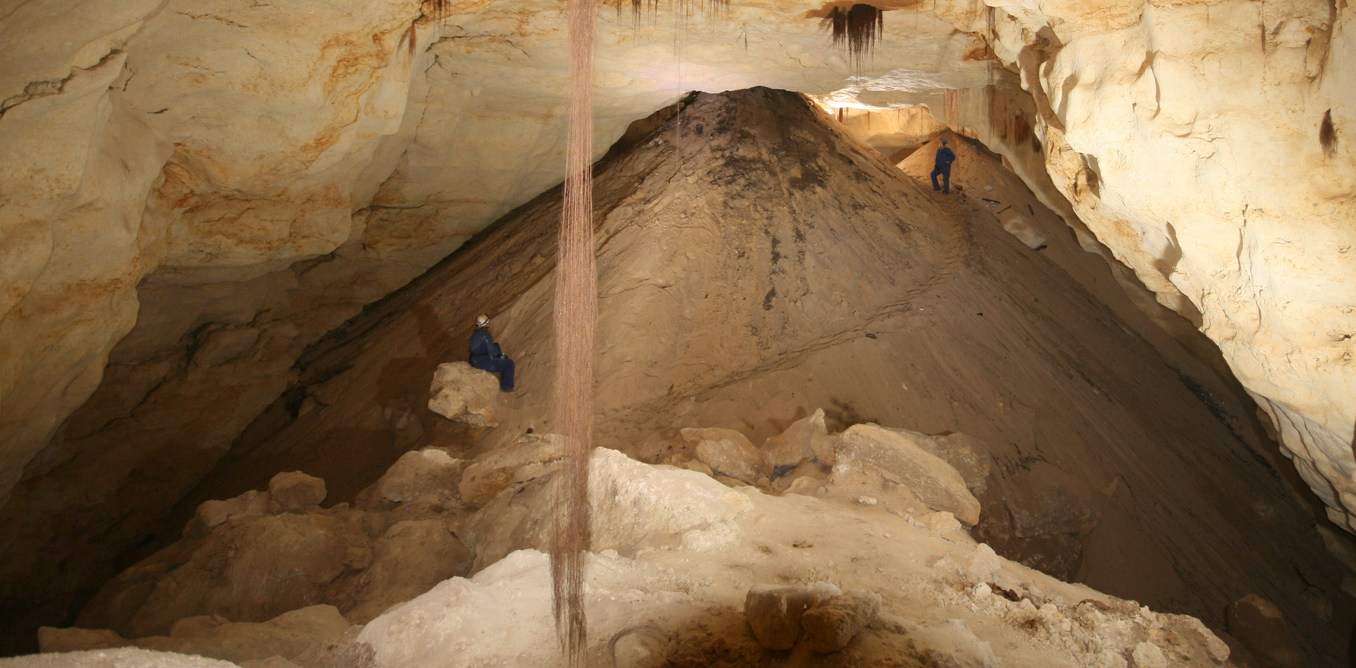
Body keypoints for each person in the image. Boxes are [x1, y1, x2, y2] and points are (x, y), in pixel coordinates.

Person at [469, 314, 515, 392]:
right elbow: (493, 354)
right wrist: (502, 357)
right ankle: (506, 387)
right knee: (509, 364)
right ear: (486, 323)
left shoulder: (475, 334)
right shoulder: (485, 335)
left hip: (474, 359)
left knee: (496, 345)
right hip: (481, 362)